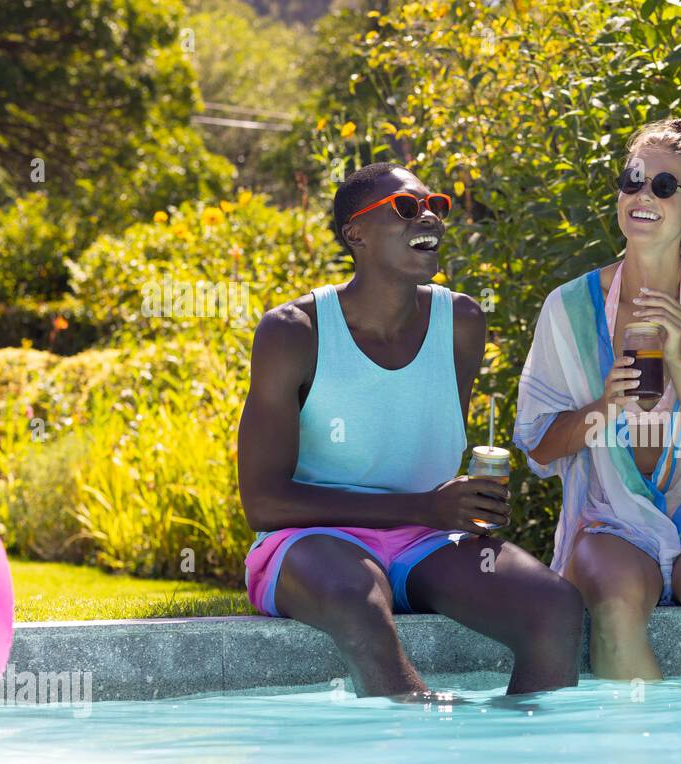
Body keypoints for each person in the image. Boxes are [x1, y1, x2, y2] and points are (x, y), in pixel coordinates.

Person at [237, 162, 584, 699]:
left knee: (553, 605)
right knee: (360, 594)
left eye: (435, 206)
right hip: (309, 542)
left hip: (424, 541)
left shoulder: (461, 322)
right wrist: (425, 507)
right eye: (406, 207)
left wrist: (463, 507)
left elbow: (425, 451)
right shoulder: (294, 332)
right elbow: (264, 503)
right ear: (355, 233)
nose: (428, 216)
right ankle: (415, 752)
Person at [513, 119, 681, 686]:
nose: (642, 196)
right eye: (632, 181)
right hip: (609, 515)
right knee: (611, 608)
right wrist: (601, 407)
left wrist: (680, 363)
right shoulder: (569, 309)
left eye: (663, 186)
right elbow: (537, 446)